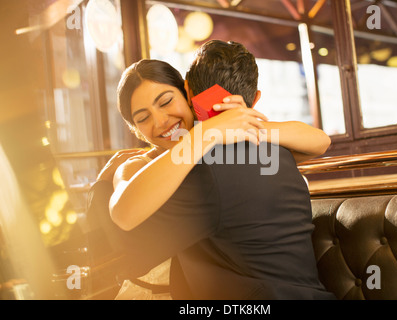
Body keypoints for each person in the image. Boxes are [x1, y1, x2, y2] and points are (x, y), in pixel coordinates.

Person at [87, 40, 334, 299]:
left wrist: (121, 171)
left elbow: (123, 228)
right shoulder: (240, 150)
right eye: (143, 118)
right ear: (135, 130)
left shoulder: (212, 164)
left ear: (187, 93)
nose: (160, 121)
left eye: (166, 101)